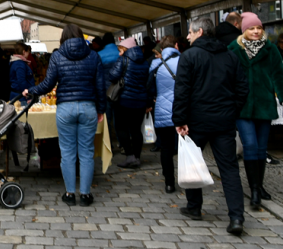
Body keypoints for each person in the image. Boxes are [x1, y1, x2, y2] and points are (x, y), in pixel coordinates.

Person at [172, 17, 248, 235]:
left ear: (201, 32)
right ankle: (236, 217)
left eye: (190, 32)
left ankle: (194, 207)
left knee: (193, 163)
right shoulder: (230, 56)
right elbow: (243, 88)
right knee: (230, 169)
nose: (187, 35)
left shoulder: (189, 56)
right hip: (224, 120)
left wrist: (180, 119)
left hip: (197, 121)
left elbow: (182, 91)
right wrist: (233, 110)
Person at [23, 24, 105, 207]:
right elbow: (100, 85)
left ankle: (69, 194)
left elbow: (48, 84)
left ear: (63, 38)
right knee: (86, 153)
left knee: (67, 153)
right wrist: (101, 109)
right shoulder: (93, 55)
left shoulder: (58, 56)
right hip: (88, 106)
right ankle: (85, 195)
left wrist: (31, 91)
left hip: (65, 108)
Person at [228, 12, 283, 209]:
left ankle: (259, 185)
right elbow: (227, 77)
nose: (256, 31)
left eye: (258, 28)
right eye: (251, 28)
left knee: (262, 149)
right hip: (243, 106)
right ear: (243, 30)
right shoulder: (233, 49)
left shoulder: (271, 49)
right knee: (250, 145)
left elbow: (280, 77)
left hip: (264, 105)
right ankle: (254, 191)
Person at [109, 36, 150, 168]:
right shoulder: (144, 61)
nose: (120, 52)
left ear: (125, 49)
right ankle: (137, 157)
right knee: (136, 130)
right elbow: (147, 81)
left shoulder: (123, 59)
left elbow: (113, 75)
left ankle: (130, 156)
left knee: (121, 127)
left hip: (124, 100)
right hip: (140, 100)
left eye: (121, 49)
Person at [146, 35, 180, 193]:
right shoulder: (185, 62)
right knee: (187, 145)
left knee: (166, 148)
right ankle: (191, 177)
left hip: (162, 109)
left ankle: (169, 182)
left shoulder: (155, 65)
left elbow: (149, 88)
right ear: (176, 46)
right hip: (183, 109)